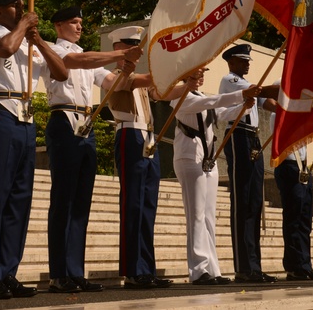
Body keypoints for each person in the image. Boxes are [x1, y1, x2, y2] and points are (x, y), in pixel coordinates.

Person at [0, 0, 68, 300]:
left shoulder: (30, 42)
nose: (23, 9)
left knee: (19, 201)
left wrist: (39, 41)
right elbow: (3, 49)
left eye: (23, 6)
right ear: (0, 9)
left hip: (25, 118)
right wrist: (23, 27)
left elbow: (61, 72)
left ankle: (8, 271)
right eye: (16, 5)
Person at [44, 6, 143, 293]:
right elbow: (78, 62)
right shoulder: (54, 50)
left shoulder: (90, 58)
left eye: (81, 23)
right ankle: (58, 273)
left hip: (85, 122)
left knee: (80, 204)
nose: (79, 27)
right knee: (63, 199)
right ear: (58, 24)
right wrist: (120, 55)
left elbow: (112, 82)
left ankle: (75, 271)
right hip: (63, 119)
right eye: (74, 22)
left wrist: (126, 71)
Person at [169, 69, 261, 285]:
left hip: (208, 159)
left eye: (202, 73)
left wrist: (244, 107)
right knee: (196, 216)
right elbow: (215, 101)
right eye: (196, 74)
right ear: (185, 77)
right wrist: (241, 94)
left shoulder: (202, 98)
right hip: (190, 157)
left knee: (209, 216)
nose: (201, 77)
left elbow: (221, 113)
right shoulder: (180, 98)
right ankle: (198, 270)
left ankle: (212, 269)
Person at [105, 25, 173, 290]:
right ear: (118, 50)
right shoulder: (114, 76)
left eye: (136, 46)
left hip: (148, 139)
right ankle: (133, 270)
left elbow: (162, 92)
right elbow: (137, 81)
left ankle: (147, 268)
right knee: (132, 205)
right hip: (129, 137)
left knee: (147, 208)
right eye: (129, 46)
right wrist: (168, 72)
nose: (135, 50)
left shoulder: (140, 80)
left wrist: (186, 84)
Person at [217, 43, 277, 283]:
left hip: (253, 136)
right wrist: (290, 88)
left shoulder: (247, 84)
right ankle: (243, 266)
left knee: (254, 202)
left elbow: (269, 103)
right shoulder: (230, 80)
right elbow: (263, 93)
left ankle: (254, 265)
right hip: (238, 134)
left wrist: (289, 106)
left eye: (248, 61)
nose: (247, 64)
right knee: (242, 201)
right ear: (231, 62)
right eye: (243, 61)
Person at [269, 106, 313, 282]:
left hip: (302, 166)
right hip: (288, 166)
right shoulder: (277, 114)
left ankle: (305, 264)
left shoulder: (299, 115)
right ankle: (294, 266)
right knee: (293, 219)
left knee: (304, 220)